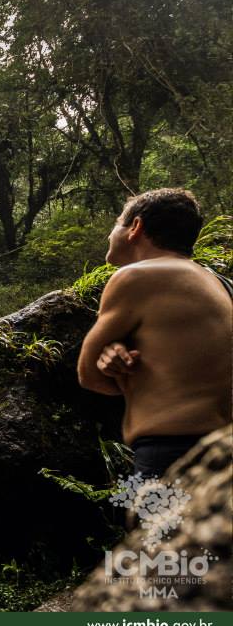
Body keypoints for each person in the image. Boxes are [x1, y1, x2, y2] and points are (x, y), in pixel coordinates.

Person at [77, 188, 233, 479]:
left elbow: (88, 373)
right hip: (221, 450)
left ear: (135, 227)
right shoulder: (220, 285)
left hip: (169, 451)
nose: (110, 234)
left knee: (157, 526)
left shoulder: (136, 276)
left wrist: (123, 375)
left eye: (116, 222)